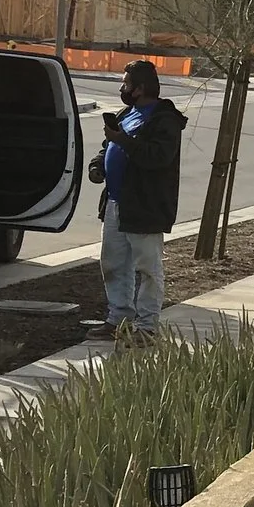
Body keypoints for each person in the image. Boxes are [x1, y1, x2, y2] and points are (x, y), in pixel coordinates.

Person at [88, 59, 184, 337]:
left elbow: (158, 157)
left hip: (145, 206)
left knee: (148, 270)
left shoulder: (164, 120)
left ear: (140, 88)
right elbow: (107, 147)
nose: (122, 89)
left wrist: (122, 141)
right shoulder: (126, 114)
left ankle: (146, 327)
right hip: (115, 203)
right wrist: (98, 165)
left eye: (126, 84)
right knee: (114, 264)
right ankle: (119, 319)